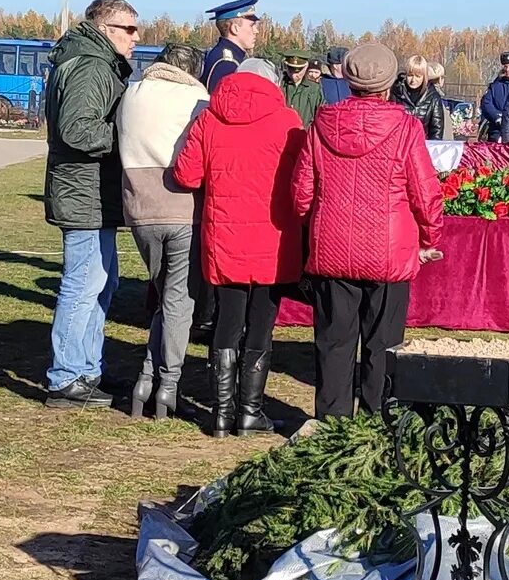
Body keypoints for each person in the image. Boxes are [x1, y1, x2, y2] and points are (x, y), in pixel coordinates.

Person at [293, 42, 442, 421]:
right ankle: (379, 425)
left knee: (333, 344)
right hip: (388, 251)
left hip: (333, 248)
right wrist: (430, 237)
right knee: (384, 346)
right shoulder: (406, 127)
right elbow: (425, 191)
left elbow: (301, 194)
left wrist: (315, 224)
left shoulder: (322, 123)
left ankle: (331, 426)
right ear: (389, 83)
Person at [170, 56, 304, 435]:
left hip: (225, 234)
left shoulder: (209, 118)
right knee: (261, 323)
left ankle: (221, 413)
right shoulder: (287, 120)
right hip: (273, 238)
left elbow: (187, 173)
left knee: (227, 321)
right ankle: (250, 412)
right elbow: (303, 175)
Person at [41, 0, 137, 407]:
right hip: (84, 192)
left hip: (94, 191)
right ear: (104, 29)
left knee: (103, 282)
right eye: (128, 30)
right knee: (83, 284)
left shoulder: (94, 62)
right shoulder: (91, 66)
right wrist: (130, 137)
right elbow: (78, 131)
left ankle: (87, 369)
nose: (136, 38)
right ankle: (65, 377)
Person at [117, 43, 208, 420]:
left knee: (162, 295)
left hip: (140, 209)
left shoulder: (132, 92)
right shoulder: (197, 97)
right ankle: (168, 384)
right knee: (178, 303)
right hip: (183, 208)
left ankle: (146, 377)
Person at [199, 0, 263, 92]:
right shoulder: (226, 64)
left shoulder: (226, 55)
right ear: (235, 29)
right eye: (251, 25)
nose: (256, 31)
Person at [392, 55, 450, 140]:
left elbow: (436, 131)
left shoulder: (433, 97)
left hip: (422, 146)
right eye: (410, 75)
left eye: (418, 76)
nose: (413, 80)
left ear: (424, 77)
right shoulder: (396, 93)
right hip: (399, 146)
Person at [479, 51, 509, 140]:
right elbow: (486, 103)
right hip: (497, 133)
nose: (508, 69)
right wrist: (497, 117)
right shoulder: (496, 85)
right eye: (506, 67)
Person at [280, 52, 324, 127]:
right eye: (291, 70)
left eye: (298, 71)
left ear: (306, 67)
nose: (294, 75)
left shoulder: (314, 89)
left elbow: (321, 115)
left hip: (305, 135)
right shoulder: (279, 85)